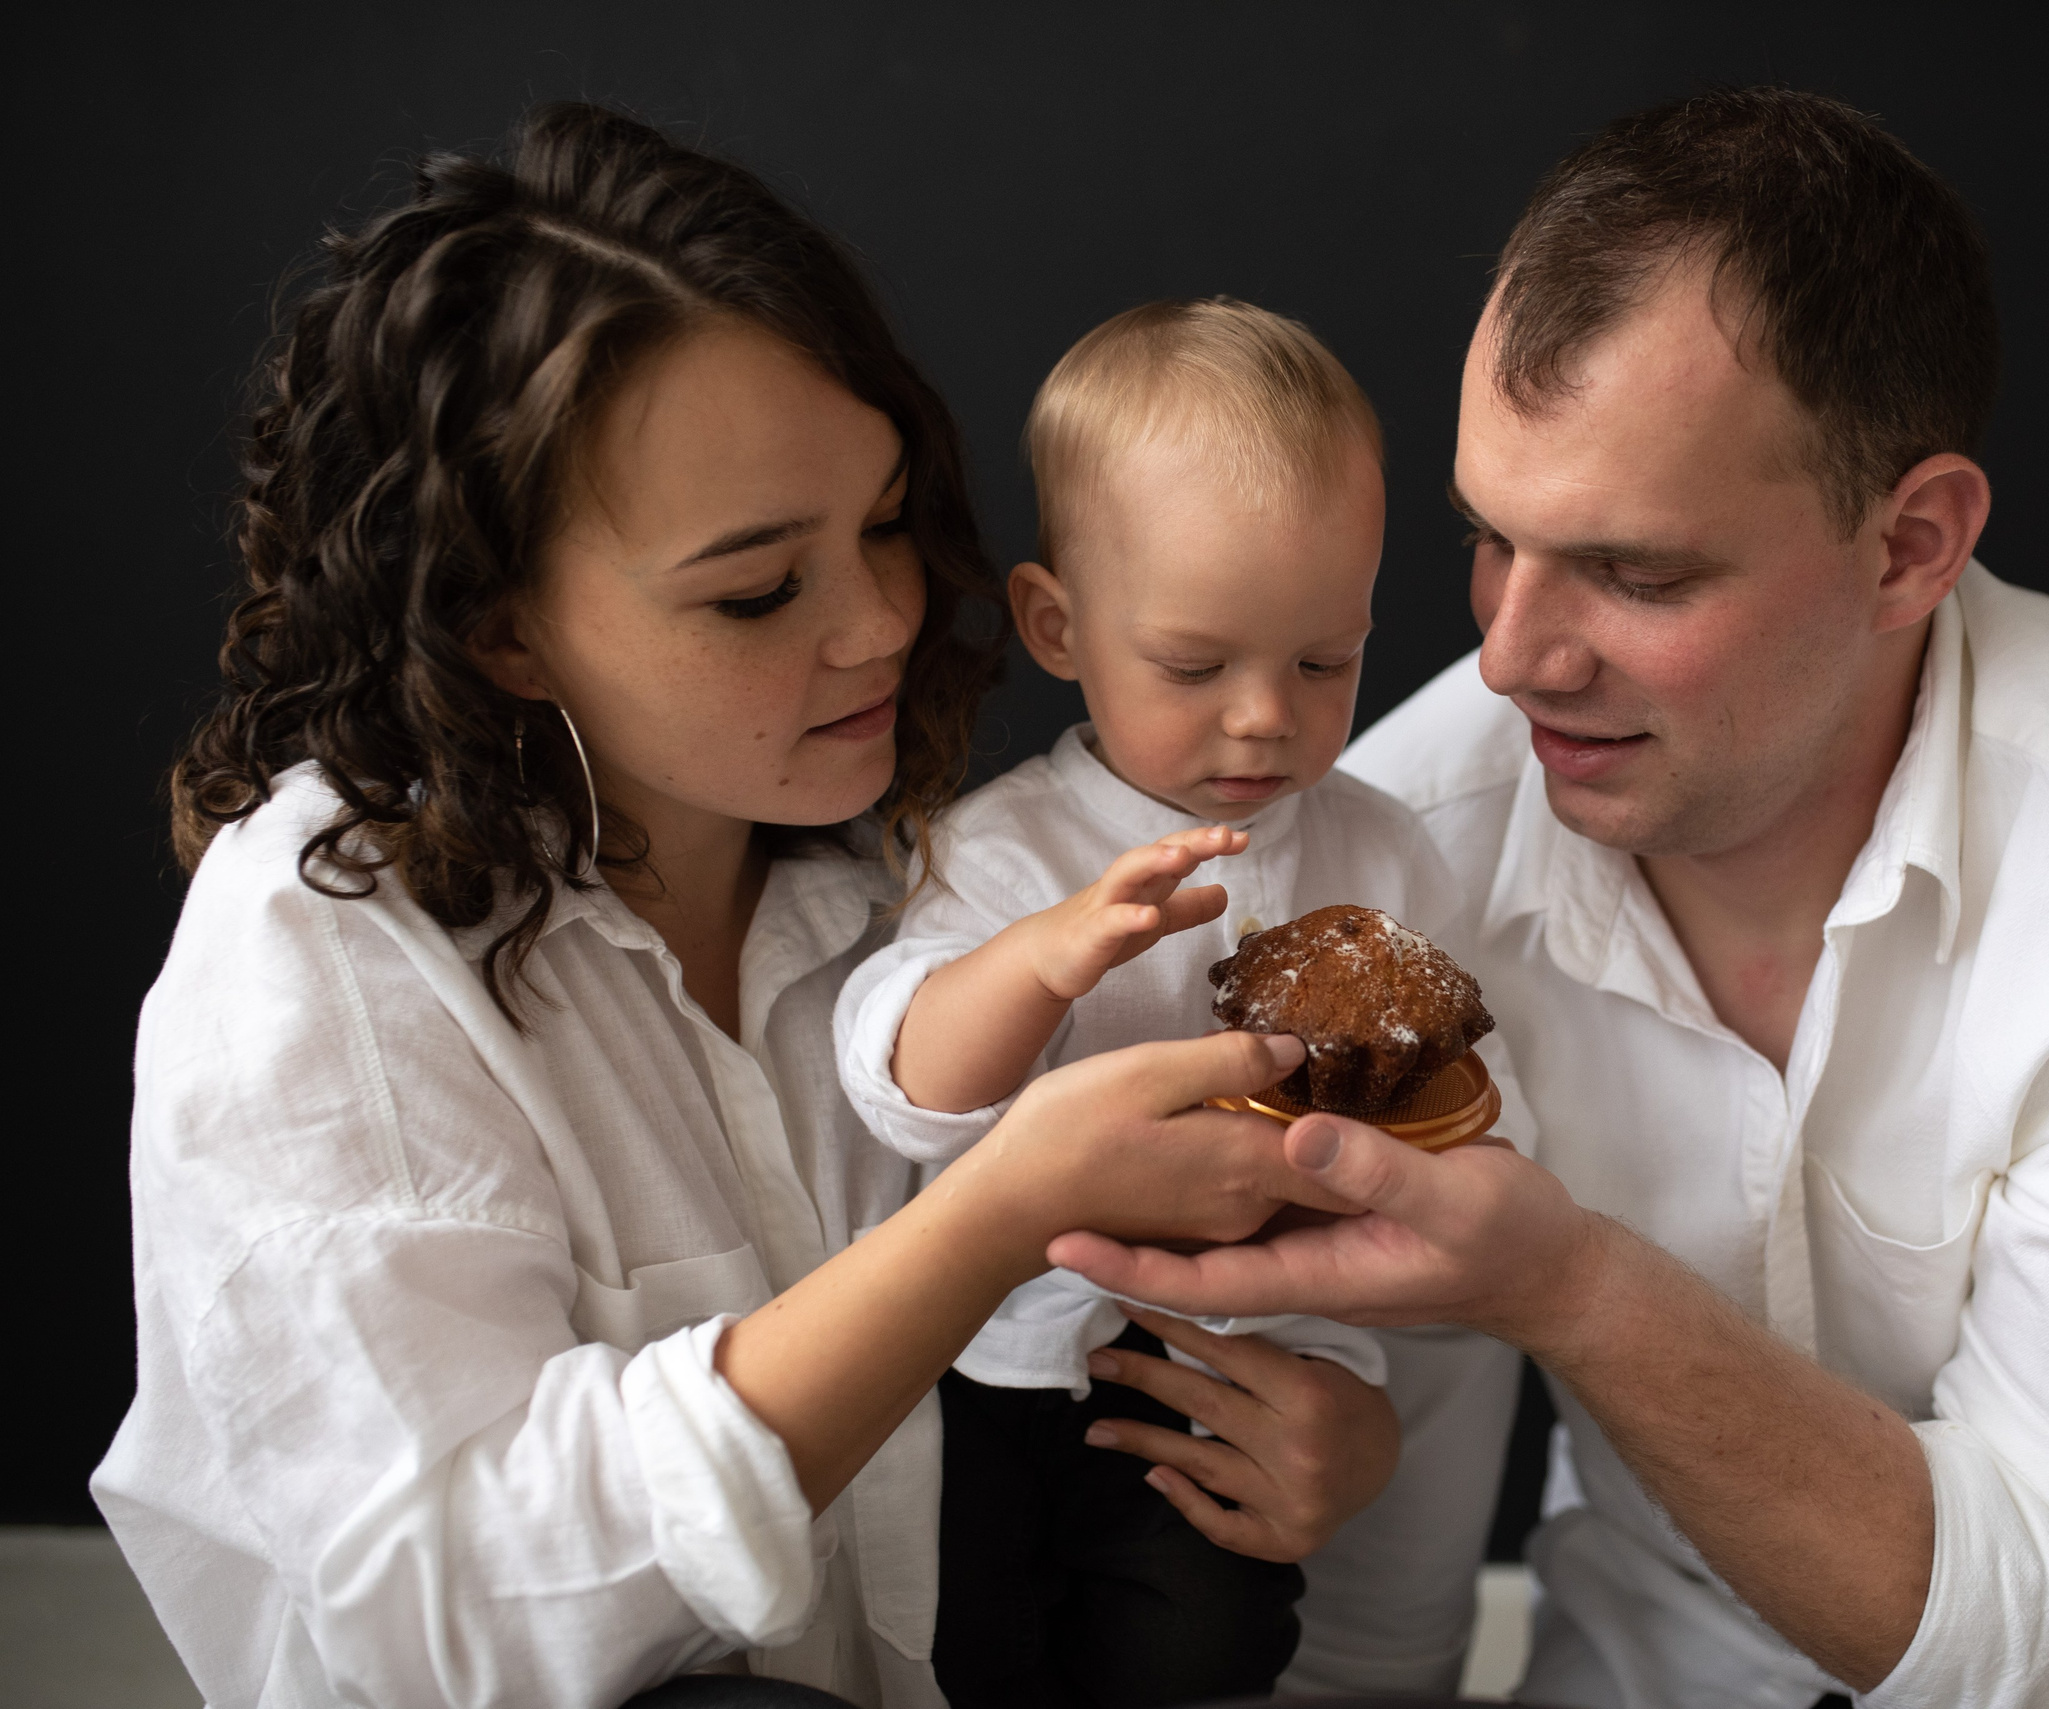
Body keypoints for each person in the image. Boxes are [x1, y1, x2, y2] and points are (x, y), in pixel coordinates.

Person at [1056, 90, 2049, 1706]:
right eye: (1492, 540)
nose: (1511, 656)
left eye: (1636, 574)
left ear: (1911, 543)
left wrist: (1575, 1285)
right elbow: (1390, 1449)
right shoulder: (1397, 845)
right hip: (1639, 1667)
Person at [90, 104, 1398, 1709]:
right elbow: (446, 1624)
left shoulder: (902, 879)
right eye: (760, 588)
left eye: (884, 524)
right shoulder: (328, 943)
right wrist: (984, 1220)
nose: (880, 623)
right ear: (504, 627)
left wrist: (1324, 1431)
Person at [833, 297, 1520, 1707]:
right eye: (1197, 666)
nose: (1266, 716)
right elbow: (902, 1083)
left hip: (1241, 1359)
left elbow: (1456, 1098)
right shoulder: (1005, 848)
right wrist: (1041, 961)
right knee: (975, 1635)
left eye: (1325, 662)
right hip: (1010, 1352)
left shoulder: (1381, 850)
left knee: (1204, 1638)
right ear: (1059, 625)